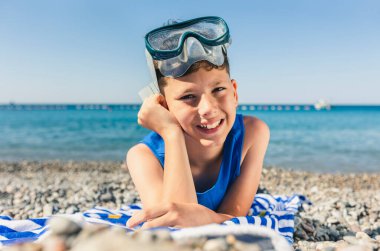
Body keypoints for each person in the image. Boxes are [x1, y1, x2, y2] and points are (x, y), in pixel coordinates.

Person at [126, 16, 270, 229]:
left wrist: (208, 218)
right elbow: (174, 231)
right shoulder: (143, 157)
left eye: (219, 90)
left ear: (235, 93)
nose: (208, 109)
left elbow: (235, 216)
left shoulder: (253, 133)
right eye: (188, 97)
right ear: (163, 106)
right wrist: (171, 133)